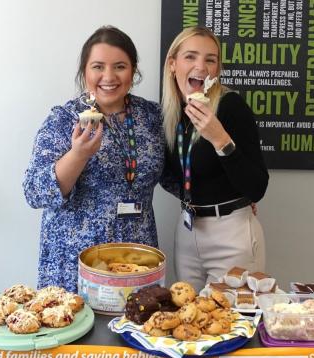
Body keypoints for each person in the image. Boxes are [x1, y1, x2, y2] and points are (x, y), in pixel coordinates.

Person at [24, 26, 163, 291]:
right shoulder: (64, 119)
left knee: (134, 331)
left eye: (120, 66)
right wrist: (78, 155)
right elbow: (34, 192)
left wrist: (232, 200)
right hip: (75, 261)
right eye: (98, 66)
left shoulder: (152, 117)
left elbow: (173, 176)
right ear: (84, 72)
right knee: (80, 331)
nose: (108, 76)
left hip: (136, 259)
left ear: (133, 71)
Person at [160, 26, 269, 290]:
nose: (201, 66)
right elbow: (170, 173)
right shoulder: (172, 112)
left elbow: (257, 186)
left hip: (230, 234)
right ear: (173, 64)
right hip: (187, 231)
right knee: (189, 322)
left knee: (230, 326)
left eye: (210, 59)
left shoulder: (230, 106)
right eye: (191, 57)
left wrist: (219, 138)